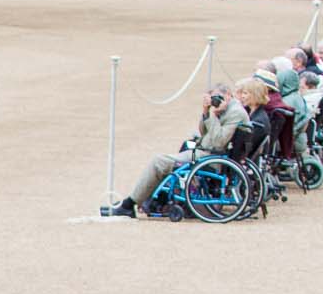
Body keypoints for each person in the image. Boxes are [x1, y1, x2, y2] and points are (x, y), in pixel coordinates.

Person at [106, 84, 249, 217]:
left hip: (211, 156)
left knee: (159, 162)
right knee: (181, 150)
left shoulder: (234, 112)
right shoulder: (228, 109)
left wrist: (213, 115)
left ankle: (129, 204)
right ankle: (152, 200)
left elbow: (218, 141)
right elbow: (204, 132)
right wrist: (206, 112)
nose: (216, 101)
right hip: (205, 151)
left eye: (219, 97)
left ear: (228, 95)